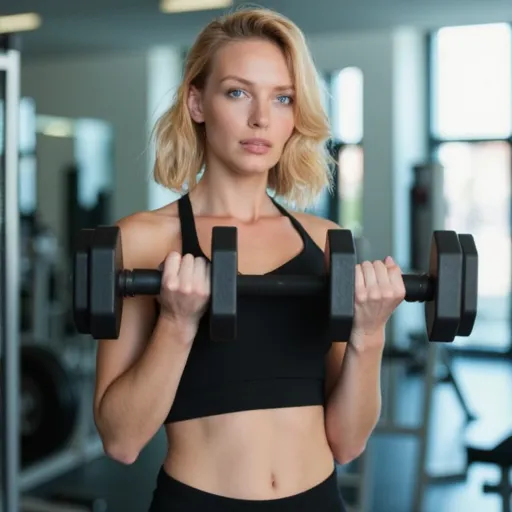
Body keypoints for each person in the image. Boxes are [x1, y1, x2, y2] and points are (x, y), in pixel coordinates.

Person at [92, 6, 406, 511]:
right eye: (238, 92)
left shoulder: (325, 242)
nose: (261, 117)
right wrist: (175, 322)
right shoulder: (144, 241)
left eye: (282, 98)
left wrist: (370, 334)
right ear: (197, 101)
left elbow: (348, 442)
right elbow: (120, 440)